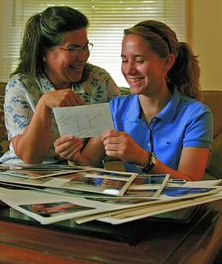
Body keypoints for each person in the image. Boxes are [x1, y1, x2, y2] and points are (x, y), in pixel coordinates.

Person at [55, 20, 213, 181]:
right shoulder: (115, 108)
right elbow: (87, 163)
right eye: (124, 60)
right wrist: (73, 156)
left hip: (177, 204)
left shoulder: (196, 115)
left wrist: (144, 159)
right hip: (131, 203)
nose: (128, 70)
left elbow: (192, 183)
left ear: (167, 62)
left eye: (139, 60)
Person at [0, 6, 121, 165]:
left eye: (85, 47)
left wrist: (76, 157)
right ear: (44, 52)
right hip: (24, 172)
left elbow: (95, 153)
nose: (84, 56)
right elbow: (30, 158)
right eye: (73, 49)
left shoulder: (99, 80)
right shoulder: (20, 85)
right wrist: (44, 103)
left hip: (79, 172)